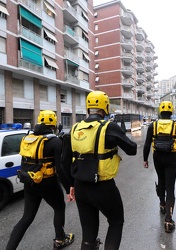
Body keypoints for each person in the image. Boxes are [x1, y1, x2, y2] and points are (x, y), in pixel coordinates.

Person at [61, 91, 137, 250]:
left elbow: (64, 161)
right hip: (103, 188)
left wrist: (71, 185)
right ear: (105, 107)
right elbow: (132, 149)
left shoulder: (74, 129)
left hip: (81, 187)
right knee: (116, 222)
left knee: (88, 235)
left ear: (88, 107)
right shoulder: (109, 127)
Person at [6, 110, 75, 250]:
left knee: (27, 217)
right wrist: (69, 188)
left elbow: (25, 162)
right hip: (48, 183)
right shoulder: (55, 142)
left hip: (30, 182)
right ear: (54, 124)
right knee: (59, 208)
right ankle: (60, 240)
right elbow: (60, 169)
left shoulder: (28, 138)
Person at [143, 101, 176, 233]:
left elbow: (147, 144)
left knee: (161, 180)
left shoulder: (153, 125)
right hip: (171, 158)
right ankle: (168, 221)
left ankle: (162, 204)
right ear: (171, 112)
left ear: (160, 111)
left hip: (157, 157)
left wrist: (145, 159)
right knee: (170, 186)